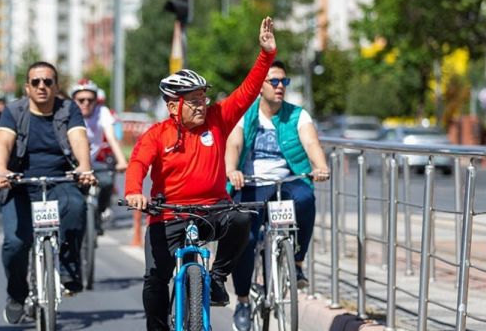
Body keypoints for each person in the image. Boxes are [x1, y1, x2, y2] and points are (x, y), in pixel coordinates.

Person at [125, 17, 278, 330]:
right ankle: (157, 326)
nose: (201, 106)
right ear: (172, 106)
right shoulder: (157, 134)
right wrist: (133, 192)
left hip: (213, 209)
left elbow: (248, 92)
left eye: (203, 99)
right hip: (167, 215)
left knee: (241, 219)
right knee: (156, 279)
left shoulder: (217, 119)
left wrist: (266, 55)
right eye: (193, 101)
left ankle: (218, 279)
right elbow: (138, 163)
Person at [225, 59, 330, 331]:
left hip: (286, 181)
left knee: (306, 199)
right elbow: (234, 143)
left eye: (284, 81)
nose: (280, 86)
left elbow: (311, 143)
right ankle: (244, 301)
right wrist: (231, 169)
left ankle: (296, 262)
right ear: (260, 86)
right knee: (245, 238)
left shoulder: (298, 115)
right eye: (274, 81)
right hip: (250, 182)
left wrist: (319, 166)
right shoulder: (245, 113)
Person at [0, 61, 97, 324]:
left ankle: (69, 268)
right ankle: (16, 294)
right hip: (20, 183)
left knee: (76, 206)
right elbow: (3, 141)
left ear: (56, 86)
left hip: (59, 179)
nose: (42, 86)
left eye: (48, 82)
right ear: (27, 87)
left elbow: (78, 137)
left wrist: (84, 167)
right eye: (36, 82)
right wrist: (2, 170)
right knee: (15, 244)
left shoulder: (68, 109)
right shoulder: (14, 111)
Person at [70, 79, 129, 233]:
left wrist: (122, 160)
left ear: (96, 100)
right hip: (72, 163)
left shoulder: (102, 112)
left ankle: (100, 211)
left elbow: (111, 137)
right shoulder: (68, 112)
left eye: (90, 100)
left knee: (108, 181)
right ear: (73, 100)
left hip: (93, 161)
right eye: (81, 100)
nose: (86, 103)